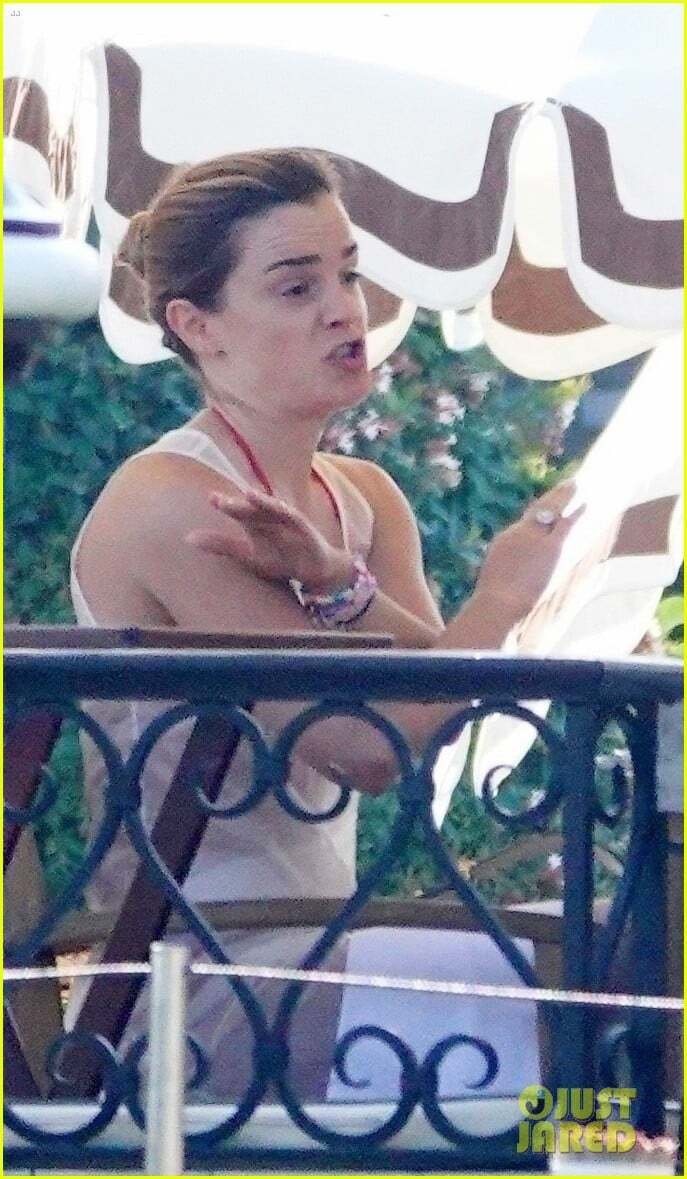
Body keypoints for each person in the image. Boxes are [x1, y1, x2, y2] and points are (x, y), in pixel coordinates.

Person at [69, 148, 582, 1101]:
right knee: (596, 975)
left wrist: (341, 582)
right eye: (296, 286)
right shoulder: (170, 500)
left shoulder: (366, 495)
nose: (345, 309)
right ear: (196, 325)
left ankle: (617, 1150)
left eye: (347, 274)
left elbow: (436, 698)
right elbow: (368, 747)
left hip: (322, 954)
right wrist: (502, 601)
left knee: (621, 949)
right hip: (190, 989)